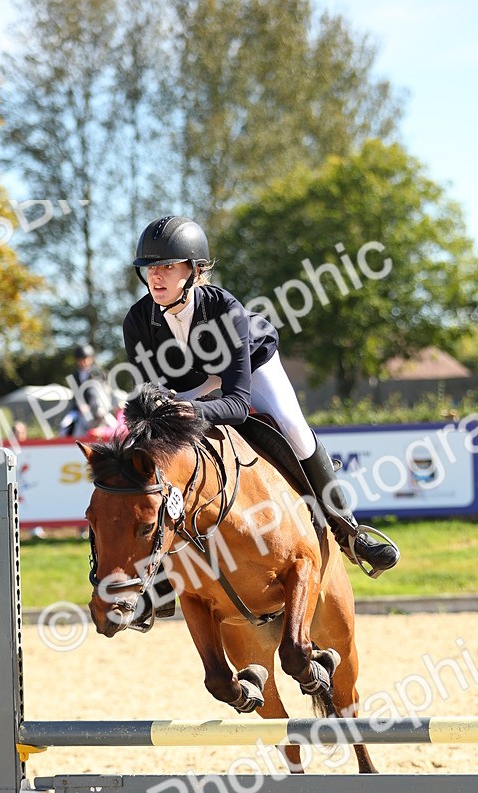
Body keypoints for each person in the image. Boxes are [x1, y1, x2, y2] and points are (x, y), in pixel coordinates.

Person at [123, 216, 399, 577]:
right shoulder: (138, 321)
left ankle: (349, 532)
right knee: (147, 445)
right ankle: (154, 573)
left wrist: (189, 409)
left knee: (292, 427)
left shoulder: (226, 310)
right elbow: (152, 394)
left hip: (253, 365)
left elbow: (237, 404)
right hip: (193, 381)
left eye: (168, 267)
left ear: (193, 270)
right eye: (149, 268)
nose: (155, 277)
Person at [59, 343, 115, 438]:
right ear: (77, 360)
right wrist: (81, 406)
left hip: (98, 408)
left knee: (114, 425)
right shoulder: (74, 376)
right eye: (81, 359)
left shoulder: (99, 373)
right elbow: (76, 395)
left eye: (87, 359)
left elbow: (100, 392)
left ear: (91, 359)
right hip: (80, 409)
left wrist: (93, 406)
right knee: (64, 425)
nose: (84, 362)